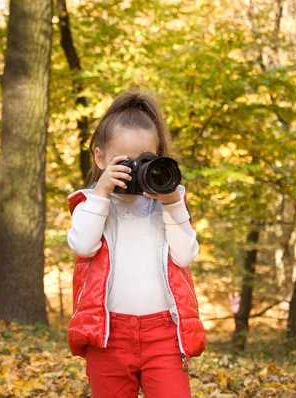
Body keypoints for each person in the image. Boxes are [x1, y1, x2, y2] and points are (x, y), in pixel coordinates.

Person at [66, 90, 206, 398]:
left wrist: (172, 204)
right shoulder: (91, 204)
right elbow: (83, 246)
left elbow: (185, 256)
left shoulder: (165, 207)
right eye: (123, 163)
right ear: (100, 157)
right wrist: (101, 194)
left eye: (144, 162)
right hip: (108, 336)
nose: (134, 172)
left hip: (163, 334)